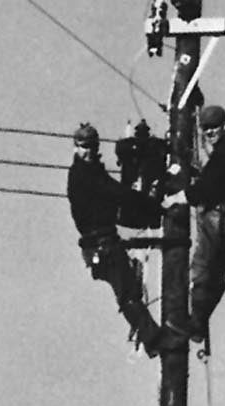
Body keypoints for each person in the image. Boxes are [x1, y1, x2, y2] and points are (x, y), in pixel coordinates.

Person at [66, 122, 185, 357]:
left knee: (130, 292)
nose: (88, 151)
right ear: (75, 148)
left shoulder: (91, 171)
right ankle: (155, 341)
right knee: (129, 294)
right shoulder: (83, 175)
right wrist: (152, 204)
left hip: (104, 241)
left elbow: (116, 194)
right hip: (101, 243)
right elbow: (116, 193)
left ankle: (153, 339)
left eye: (91, 146)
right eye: (83, 147)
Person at [161, 103, 225, 343]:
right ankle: (197, 321)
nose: (209, 133)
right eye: (206, 128)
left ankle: (194, 322)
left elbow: (206, 188)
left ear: (224, 126)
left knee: (206, 270)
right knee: (211, 271)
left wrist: (176, 198)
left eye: (214, 128)